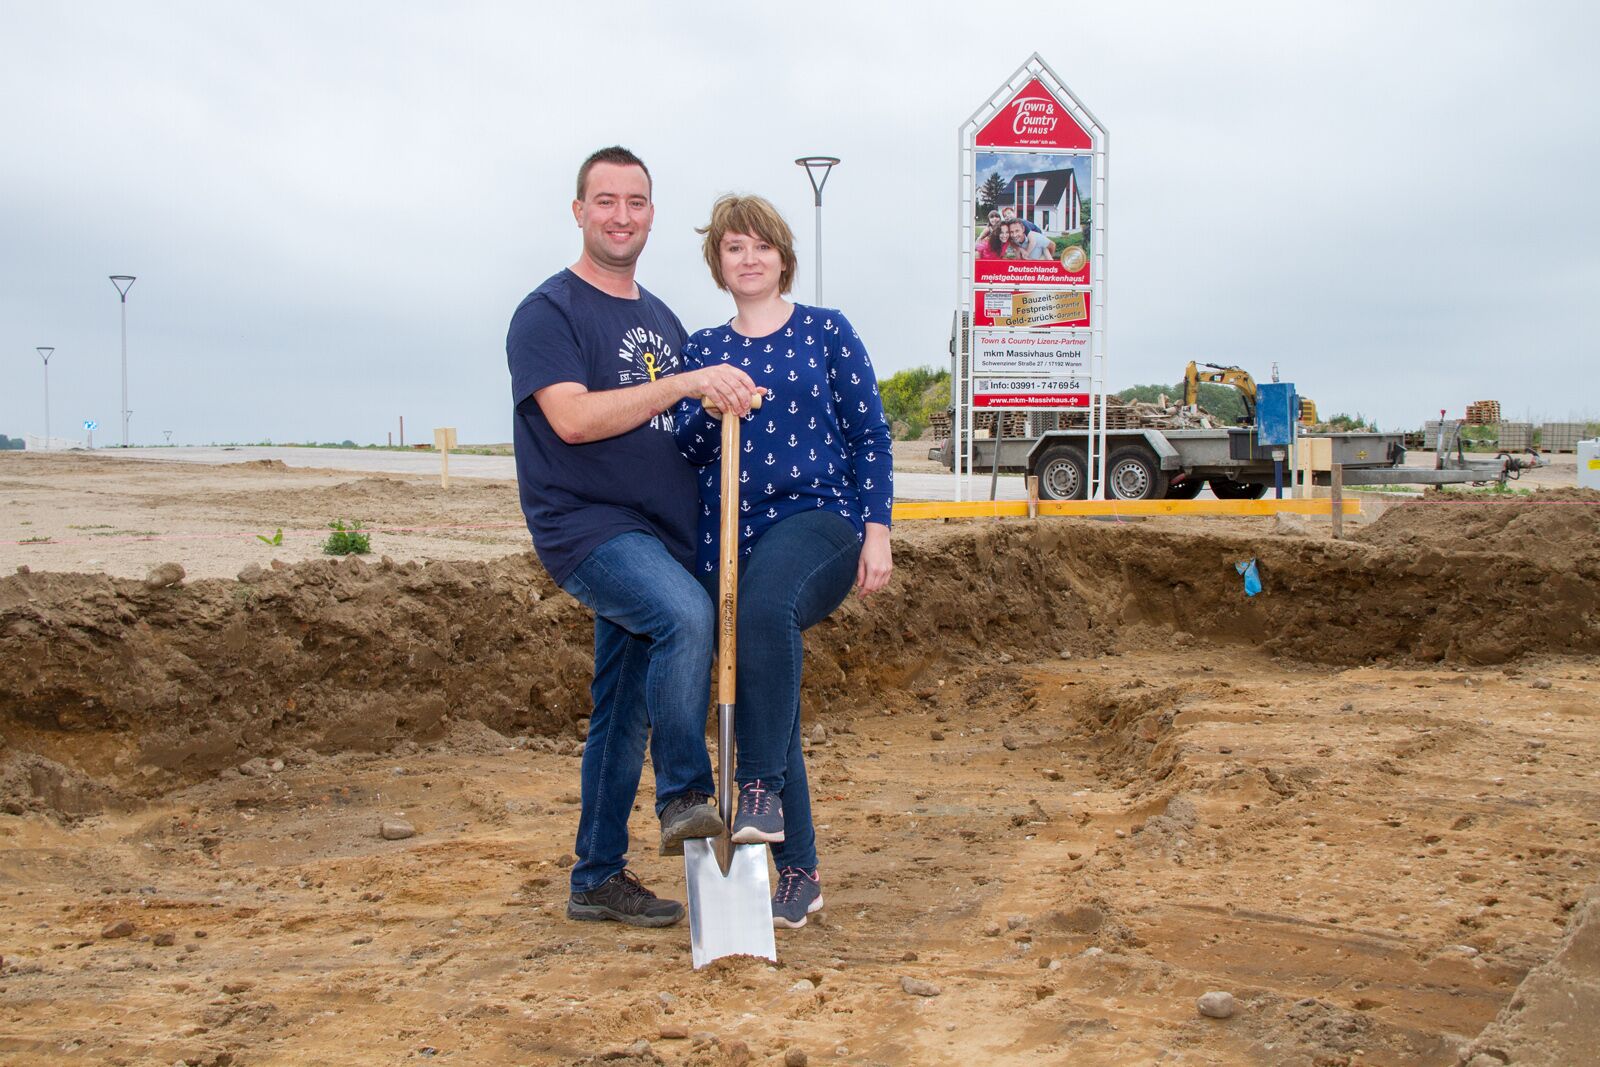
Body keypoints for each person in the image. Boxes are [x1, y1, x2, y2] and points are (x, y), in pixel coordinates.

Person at [505, 147, 761, 928]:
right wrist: (686, 380)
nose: (622, 215)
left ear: (652, 214)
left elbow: (681, 429)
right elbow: (574, 419)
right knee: (685, 618)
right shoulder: (548, 312)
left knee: (619, 710)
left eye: (637, 202)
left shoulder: (662, 319)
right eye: (606, 200)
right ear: (578, 211)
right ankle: (684, 788)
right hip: (589, 529)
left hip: (662, 534)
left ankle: (596, 877)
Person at [673, 194, 893, 929]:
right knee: (768, 688)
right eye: (734, 247)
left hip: (817, 519)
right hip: (729, 538)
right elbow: (684, 449)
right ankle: (798, 869)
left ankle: (755, 785)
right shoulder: (703, 349)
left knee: (768, 611)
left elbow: (870, 436)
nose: (749, 257)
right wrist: (705, 408)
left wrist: (878, 529)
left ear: (782, 255)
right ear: (719, 263)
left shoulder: (826, 333)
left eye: (761, 245)